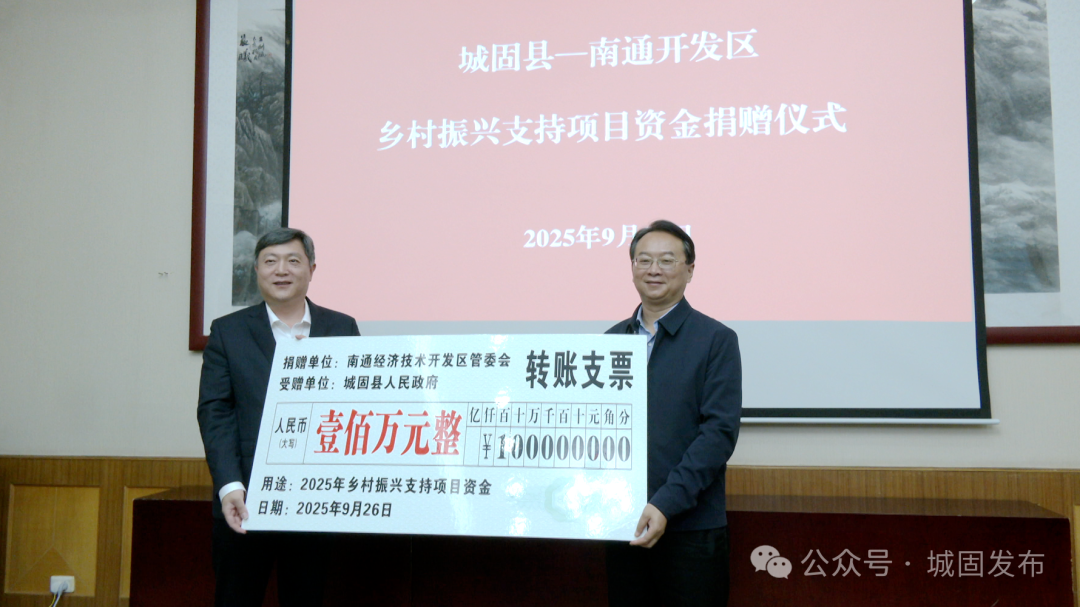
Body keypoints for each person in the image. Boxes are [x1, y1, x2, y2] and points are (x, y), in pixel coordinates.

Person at [197, 227, 359, 607]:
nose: (281, 270)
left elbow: (354, 408)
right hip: (245, 499)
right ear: (257, 270)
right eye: (270, 261)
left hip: (316, 500)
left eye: (293, 261)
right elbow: (215, 411)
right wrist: (229, 486)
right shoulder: (228, 332)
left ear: (312, 269)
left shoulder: (341, 328)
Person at [605, 220, 742, 607]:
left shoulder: (716, 340)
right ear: (632, 267)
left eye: (667, 260)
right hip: (624, 523)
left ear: (690, 270)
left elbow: (718, 435)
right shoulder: (610, 341)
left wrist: (665, 503)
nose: (654, 270)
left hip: (691, 530)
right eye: (644, 260)